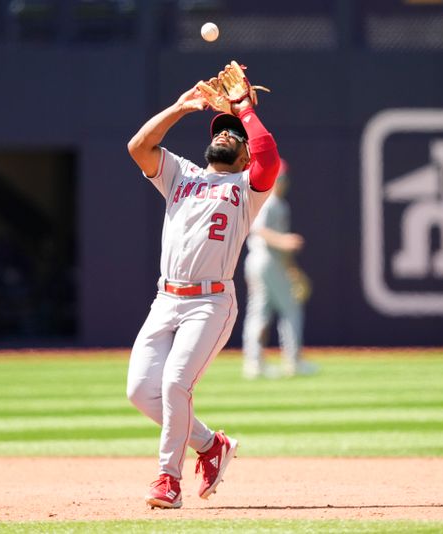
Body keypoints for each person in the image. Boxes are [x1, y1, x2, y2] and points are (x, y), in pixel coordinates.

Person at [125, 82, 281, 509]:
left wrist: (245, 110)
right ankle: (212, 445)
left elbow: (269, 159)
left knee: (175, 383)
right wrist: (179, 107)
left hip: (211, 303)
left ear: (245, 154)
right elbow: (139, 146)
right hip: (166, 299)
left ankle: (167, 480)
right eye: (220, 130)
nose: (225, 134)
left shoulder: (248, 188)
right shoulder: (181, 173)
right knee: (141, 391)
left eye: (235, 135)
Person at [242, 160, 317, 379]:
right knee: (291, 308)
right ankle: (293, 361)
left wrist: (293, 269)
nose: (283, 182)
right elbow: (258, 230)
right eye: (279, 177)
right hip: (265, 260)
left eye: (283, 177)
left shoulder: (272, 202)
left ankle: (254, 364)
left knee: (260, 313)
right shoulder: (270, 201)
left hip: (264, 261)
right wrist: (284, 241)